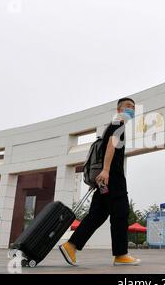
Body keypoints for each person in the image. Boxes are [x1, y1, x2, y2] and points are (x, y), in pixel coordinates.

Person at [59, 98, 141, 266]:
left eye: (133, 107)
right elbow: (111, 146)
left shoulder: (113, 125)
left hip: (105, 179)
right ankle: (121, 255)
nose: (131, 109)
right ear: (119, 110)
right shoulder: (118, 123)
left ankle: (71, 246)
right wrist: (105, 170)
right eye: (128, 106)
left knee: (97, 215)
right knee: (121, 213)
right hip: (112, 178)